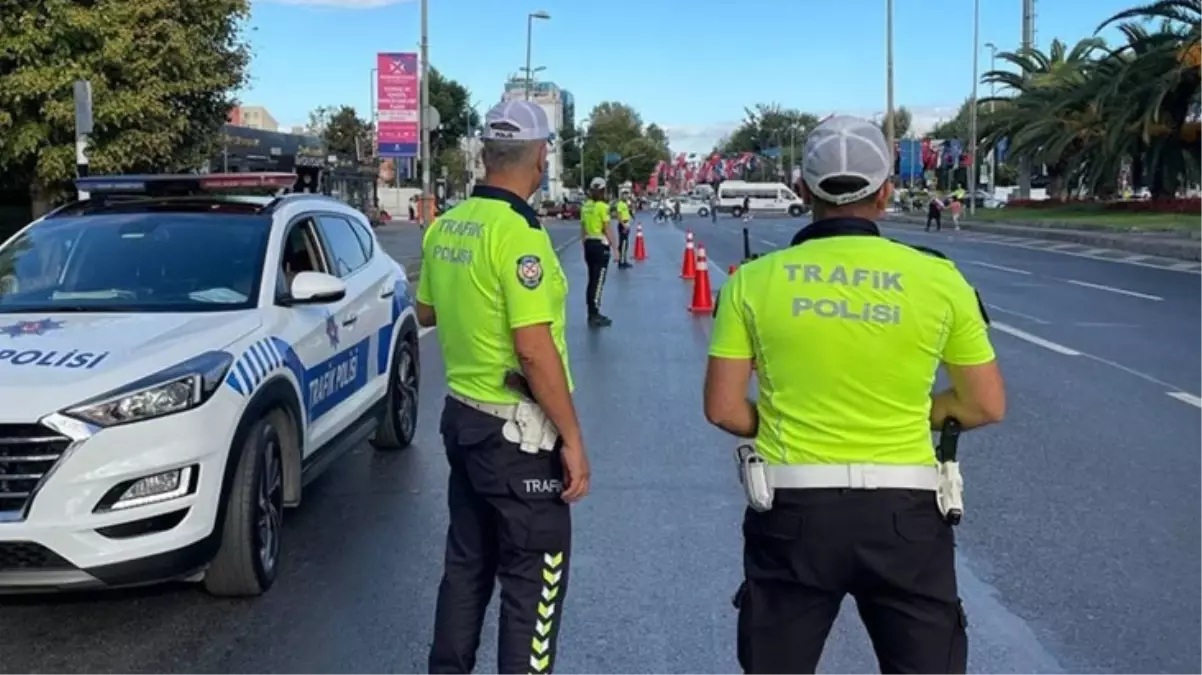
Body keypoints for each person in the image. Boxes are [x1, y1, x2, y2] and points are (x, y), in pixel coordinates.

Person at [703, 115, 1006, 675]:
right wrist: (914, 412)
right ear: (886, 193)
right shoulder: (940, 279)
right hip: (906, 517)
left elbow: (723, 408)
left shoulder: (753, 280)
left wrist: (785, 416)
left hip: (793, 513)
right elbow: (984, 403)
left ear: (802, 190)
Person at [417, 99, 592, 675]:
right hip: (517, 438)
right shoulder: (519, 236)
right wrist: (571, 438)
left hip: (463, 419)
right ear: (540, 157)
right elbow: (534, 350)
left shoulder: (447, 227)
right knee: (532, 583)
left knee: (467, 566)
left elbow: (425, 313)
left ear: (485, 154)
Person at [581, 176, 616, 327]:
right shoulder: (602, 207)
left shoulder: (585, 206)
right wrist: (616, 248)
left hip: (589, 243)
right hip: (600, 245)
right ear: (602, 191)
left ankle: (591, 312)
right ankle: (594, 314)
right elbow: (607, 228)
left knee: (591, 281)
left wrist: (584, 244)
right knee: (599, 281)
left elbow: (582, 228)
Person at [615, 195, 634, 269]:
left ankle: (624, 261)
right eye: (624, 195)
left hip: (626, 223)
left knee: (625, 244)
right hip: (623, 224)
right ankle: (621, 262)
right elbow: (619, 216)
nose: (626, 197)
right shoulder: (620, 204)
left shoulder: (625, 204)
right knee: (622, 244)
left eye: (627, 195)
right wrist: (623, 225)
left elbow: (630, 211)